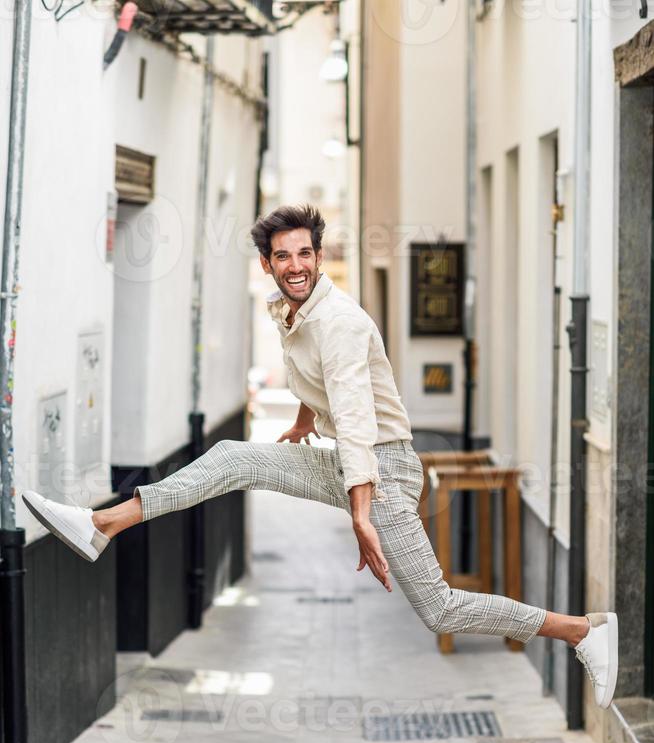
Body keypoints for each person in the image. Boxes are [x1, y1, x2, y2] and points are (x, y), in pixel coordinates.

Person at [22, 204, 618, 709]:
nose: (296, 265)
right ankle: (101, 524)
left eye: (304, 254)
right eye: (283, 257)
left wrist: (360, 514)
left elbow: (357, 418)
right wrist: (305, 420)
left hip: (381, 473)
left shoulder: (337, 322)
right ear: (268, 265)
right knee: (233, 456)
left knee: (438, 608)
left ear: (318, 255)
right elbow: (319, 385)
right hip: (351, 464)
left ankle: (581, 630)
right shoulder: (291, 311)